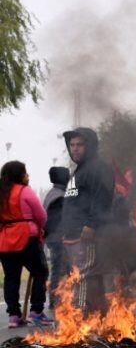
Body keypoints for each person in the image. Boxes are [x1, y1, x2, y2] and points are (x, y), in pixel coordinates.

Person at [61, 127, 115, 314]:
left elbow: (103, 198)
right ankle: (94, 318)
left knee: (83, 276)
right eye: (72, 145)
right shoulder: (78, 171)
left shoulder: (99, 168)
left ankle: (80, 317)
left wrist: (92, 224)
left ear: (90, 146)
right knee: (80, 276)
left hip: (87, 235)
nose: (74, 149)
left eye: (80, 145)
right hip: (72, 235)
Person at [0, 161, 51, 327]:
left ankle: (14, 315)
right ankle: (36, 311)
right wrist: (42, 227)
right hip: (26, 237)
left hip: (5, 239)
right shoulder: (25, 190)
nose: (27, 175)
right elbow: (41, 215)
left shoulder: (1, 193)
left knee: (11, 277)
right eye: (25, 172)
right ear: (19, 174)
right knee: (40, 271)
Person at [42, 166, 70, 309]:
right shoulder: (60, 197)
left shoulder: (52, 193)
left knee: (59, 269)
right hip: (58, 238)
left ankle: (57, 299)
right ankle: (56, 300)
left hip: (53, 238)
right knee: (60, 270)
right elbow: (57, 220)